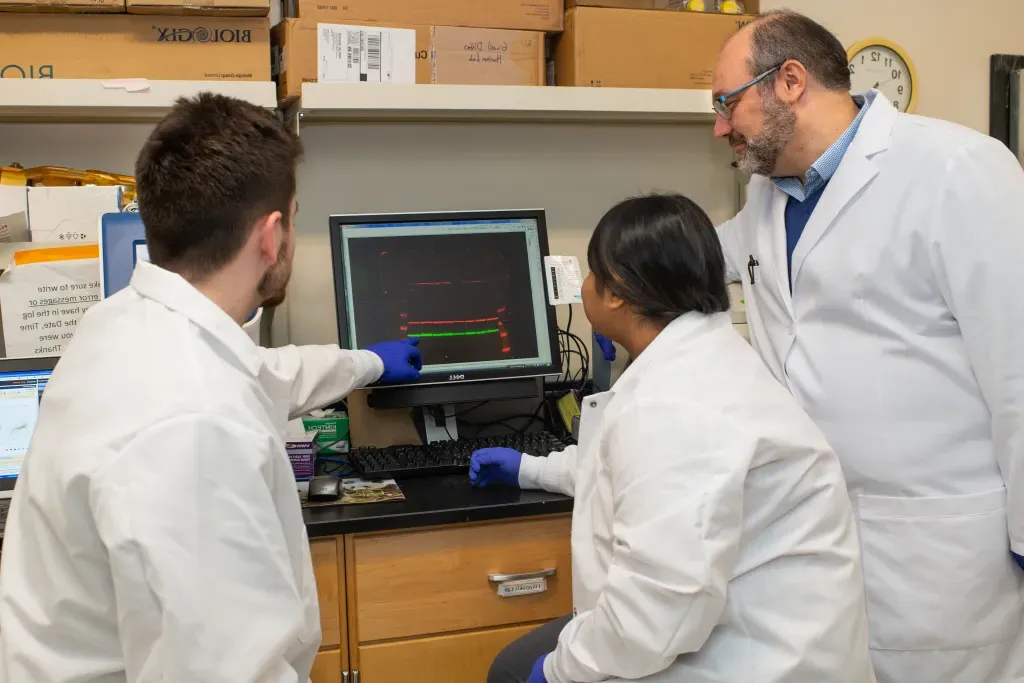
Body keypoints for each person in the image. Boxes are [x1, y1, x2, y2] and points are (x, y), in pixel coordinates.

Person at [0, 93, 422, 682]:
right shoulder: (195, 425)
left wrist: (366, 364)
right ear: (271, 236)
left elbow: (264, 375)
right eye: (295, 218)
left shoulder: (125, 325)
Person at [711, 10, 1024, 683]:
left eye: (727, 102)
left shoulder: (957, 169)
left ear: (789, 81)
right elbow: (693, 260)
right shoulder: (767, 200)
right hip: (818, 543)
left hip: (941, 555)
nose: (719, 126)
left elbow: (1019, 372)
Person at [471, 193, 875, 683]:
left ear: (617, 291)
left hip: (738, 658)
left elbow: (654, 612)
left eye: (593, 274)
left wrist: (560, 671)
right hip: (723, 628)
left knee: (516, 670)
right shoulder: (703, 363)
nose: (587, 289)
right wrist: (533, 468)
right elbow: (637, 475)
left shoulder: (677, 405)